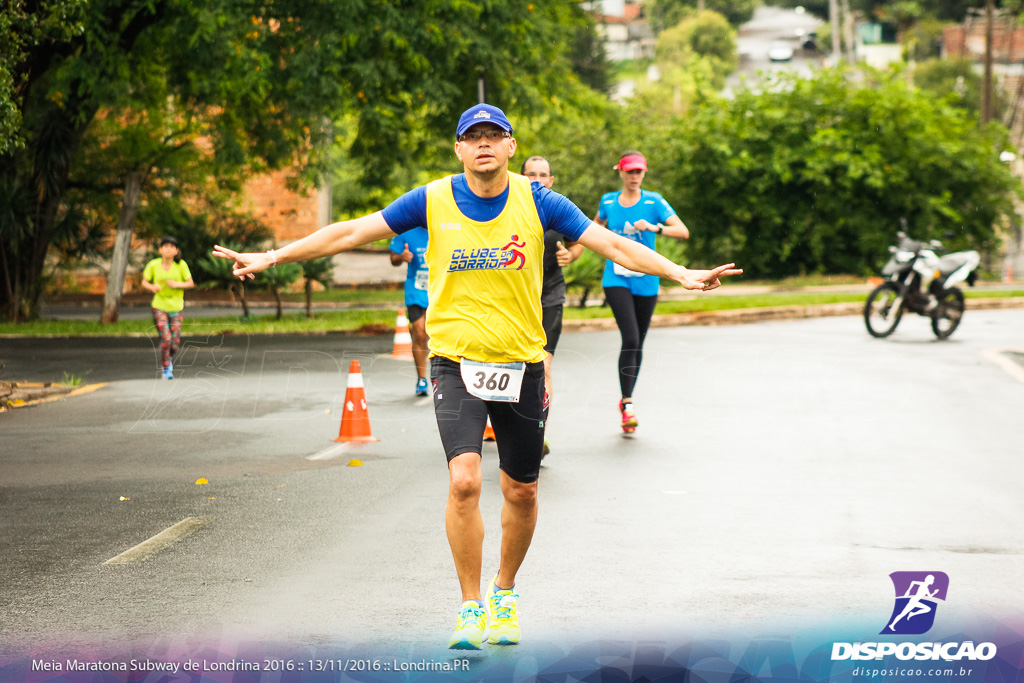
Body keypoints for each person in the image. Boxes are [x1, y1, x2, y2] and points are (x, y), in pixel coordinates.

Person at [212, 105, 740, 650]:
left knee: (523, 491)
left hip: (522, 362)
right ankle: (470, 606)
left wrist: (680, 272)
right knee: (464, 480)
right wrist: (272, 256)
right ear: (459, 149)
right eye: (473, 137)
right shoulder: (430, 199)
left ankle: (504, 592)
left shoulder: (539, 201)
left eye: (494, 136)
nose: (484, 144)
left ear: (511, 147)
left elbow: (612, 245)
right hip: (456, 362)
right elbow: (351, 231)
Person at [594, 151, 690, 434]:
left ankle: (626, 400)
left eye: (639, 172)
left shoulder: (654, 201)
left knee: (639, 343)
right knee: (631, 336)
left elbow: (682, 230)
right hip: (616, 278)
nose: (634, 177)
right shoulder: (608, 201)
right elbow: (591, 228)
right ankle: (628, 403)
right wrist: (574, 248)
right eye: (630, 172)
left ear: (644, 174)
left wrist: (654, 227)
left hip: (647, 279)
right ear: (620, 172)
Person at [521, 155, 583, 457]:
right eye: (530, 173)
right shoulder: (510, 209)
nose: (537, 179)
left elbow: (580, 242)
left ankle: (538, 434)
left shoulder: (558, 210)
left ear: (551, 180)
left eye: (542, 174)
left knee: (543, 364)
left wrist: (571, 257)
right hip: (516, 299)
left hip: (550, 295)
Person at [142, 236, 194, 380]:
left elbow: (190, 283)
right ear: (160, 250)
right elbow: (144, 282)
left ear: (176, 250)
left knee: (175, 343)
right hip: (159, 306)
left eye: (172, 247)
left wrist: (176, 284)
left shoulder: (181, 265)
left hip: (176, 307)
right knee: (166, 337)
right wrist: (152, 287)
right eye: (165, 246)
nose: (168, 249)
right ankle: (166, 368)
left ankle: (168, 357)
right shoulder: (153, 265)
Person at [389, 227, 430, 396]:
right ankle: (422, 378)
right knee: (420, 333)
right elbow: (393, 258)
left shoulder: (444, 222)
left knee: (436, 334)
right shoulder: (406, 229)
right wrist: (402, 256)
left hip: (442, 288)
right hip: (416, 290)